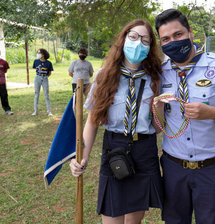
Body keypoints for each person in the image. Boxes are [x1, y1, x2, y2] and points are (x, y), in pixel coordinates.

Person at [154, 9, 215, 224]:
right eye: (166, 39)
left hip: (210, 170)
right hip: (173, 169)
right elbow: (157, 123)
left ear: (191, 33)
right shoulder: (159, 73)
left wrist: (211, 113)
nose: (173, 42)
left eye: (178, 35)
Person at [69, 19, 163, 224]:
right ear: (123, 39)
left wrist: (160, 110)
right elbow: (92, 122)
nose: (138, 44)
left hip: (145, 150)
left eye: (145, 40)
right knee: (111, 218)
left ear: (150, 47)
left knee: (133, 221)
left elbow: (156, 128)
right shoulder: (104, 76)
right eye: (134, 37)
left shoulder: (155, 79)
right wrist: (81, 157)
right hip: (115, 149)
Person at [32, 49, 53, 116]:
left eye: (39, 53)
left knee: (46, 94)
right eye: (37, 53)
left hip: (45, 78)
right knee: (36, 94)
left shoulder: (48, 63)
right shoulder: (36, 61)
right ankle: (35, 110)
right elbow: (36, 69)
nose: (38, 54)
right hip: (37, 77)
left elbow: (49, 72)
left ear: (43, 54)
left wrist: (45, 77)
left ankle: (49, 111)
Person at [0, 50, 13, 115]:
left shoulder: (4, 62)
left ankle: (7, 110)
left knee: (4, 96)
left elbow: (5, 70)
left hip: (2, 83)